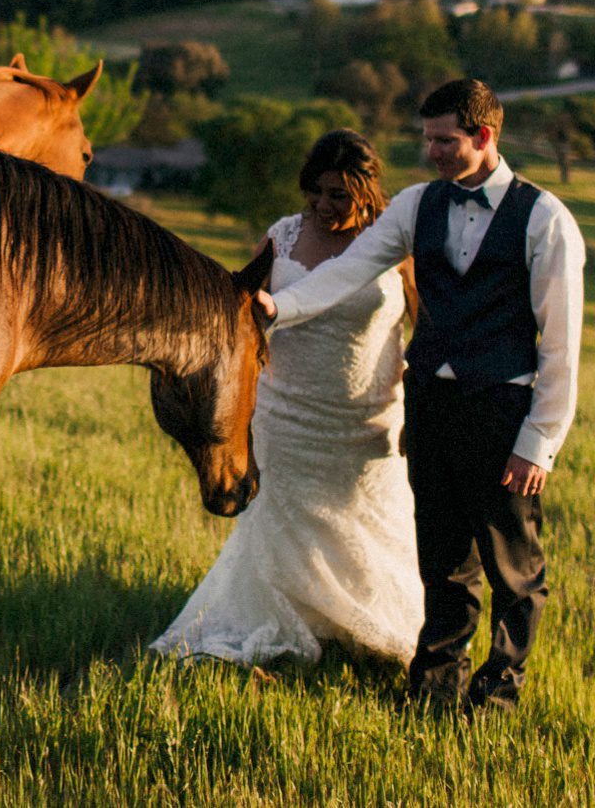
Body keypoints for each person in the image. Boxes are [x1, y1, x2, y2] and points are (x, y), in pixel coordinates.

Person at [256, 79, 585, 711]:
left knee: (513, 568)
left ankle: (496, 694)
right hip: (429, 406)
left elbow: (562, 346)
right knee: (442, 559)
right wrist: (279, 305)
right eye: (427, 138)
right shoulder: (414, 206)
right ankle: (434, 688)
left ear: (483, 137)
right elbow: (345, 273)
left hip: (501, 411)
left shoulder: (546, 220)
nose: (430, 151)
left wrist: (538, 444)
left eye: (443, 140)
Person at [151, 129, 423, 668]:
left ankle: (358, 627)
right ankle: (285, 622)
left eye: (338, 195)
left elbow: (428, 325)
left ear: (366, 192)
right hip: (286, 417)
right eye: (315, 193)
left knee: (367, 526)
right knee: (281, 529)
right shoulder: (283, 238)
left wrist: (417, 397)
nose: (323, 206)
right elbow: (243, 319)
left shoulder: (396, 246)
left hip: (368, 419)